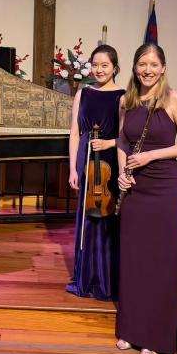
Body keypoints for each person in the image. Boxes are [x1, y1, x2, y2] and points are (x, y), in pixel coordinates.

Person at [115, 43, 177, 354]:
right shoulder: (126, 100)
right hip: (135, 189)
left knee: (160, 262)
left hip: (164, 187)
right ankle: (131, 328)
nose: (147, 69)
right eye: (141, 64)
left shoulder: (174, 99)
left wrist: (151, 154)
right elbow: (123, 140)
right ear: (135, 67)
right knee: (134, 260)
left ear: (163, 67)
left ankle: (154, 335)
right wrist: (122, 173)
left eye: (153, 64)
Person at [66, 44, 123, 300]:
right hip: (86, 160)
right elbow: (75, 133)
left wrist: (109, 143)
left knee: (108, 217)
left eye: (104, 65)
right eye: (95, 64)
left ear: (115, 68)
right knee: (87, 219)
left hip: (110, 161)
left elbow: (125, 136)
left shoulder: (122, 96)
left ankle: (107, 278)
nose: (98, 70)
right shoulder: (83, 93)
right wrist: (72, 169)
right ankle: (86, 276)